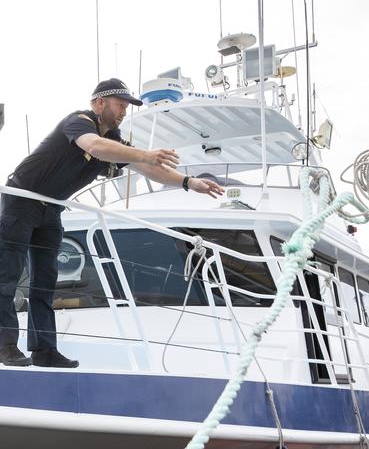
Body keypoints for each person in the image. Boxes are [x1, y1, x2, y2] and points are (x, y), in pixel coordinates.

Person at [0, 78, 224, 369]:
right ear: (99, 103)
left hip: (51, 210)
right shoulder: (79, 122)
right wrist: (145, 153)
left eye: (127, 107)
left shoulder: (116, 141)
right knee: (7, 276)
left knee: (46, 283)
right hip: (22, 201)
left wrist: (188, 182)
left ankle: (44, 350)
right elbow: (94, 146)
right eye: (120, 105)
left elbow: (146, 167)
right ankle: (4, 345)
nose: (123, 112)